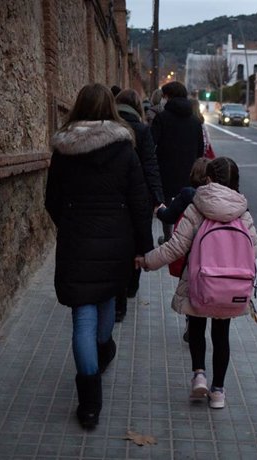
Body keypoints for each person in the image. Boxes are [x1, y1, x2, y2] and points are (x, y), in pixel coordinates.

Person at [45, 83, 153, 429]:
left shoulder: (64, 150)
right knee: (106, 302)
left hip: (77, 242)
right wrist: (142, 247)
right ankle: (104, 347)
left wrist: (71, 223)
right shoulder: (124, 148)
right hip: (116, 241)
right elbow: (139, 201)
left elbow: (52, 200)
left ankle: (90, 405)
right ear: (109, 108)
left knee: (82, 319)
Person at [136, 157, 257, 409]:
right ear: (236, 184)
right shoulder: (243, 213)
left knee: (197, 328)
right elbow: (252, 253)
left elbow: (175, 247)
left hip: (199, 282)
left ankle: (199, 375)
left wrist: (147, 261)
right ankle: (218, 392)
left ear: (208, 180)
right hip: (231, 287)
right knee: (221, 336)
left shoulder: (196, 207)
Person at [114, 88, 164, 322]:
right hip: (139, 194)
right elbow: (150, 165)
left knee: (117, 242)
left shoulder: (109, 126)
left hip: (114, 195)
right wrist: (157, 198)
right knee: (136, 241)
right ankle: (131, 285)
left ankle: (118, 297)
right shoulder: (142, 130)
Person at [155, 156, 211, 343]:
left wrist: (159, 210)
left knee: (190, 289)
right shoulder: (218, 197)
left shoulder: (188, 194)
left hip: (189, 254)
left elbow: (169, 217)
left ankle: (191, 322)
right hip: (212, 253)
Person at [151, 82, 204, 243]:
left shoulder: (162, 118)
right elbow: (200, 150)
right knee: (187, 204)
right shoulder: (195, 121)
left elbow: (151, 143)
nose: (163, 100)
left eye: (164, 96)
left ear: (168, 97)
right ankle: (183, 239)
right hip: (188, 170)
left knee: (166, 205)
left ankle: (168, 238)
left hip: (165, 169)